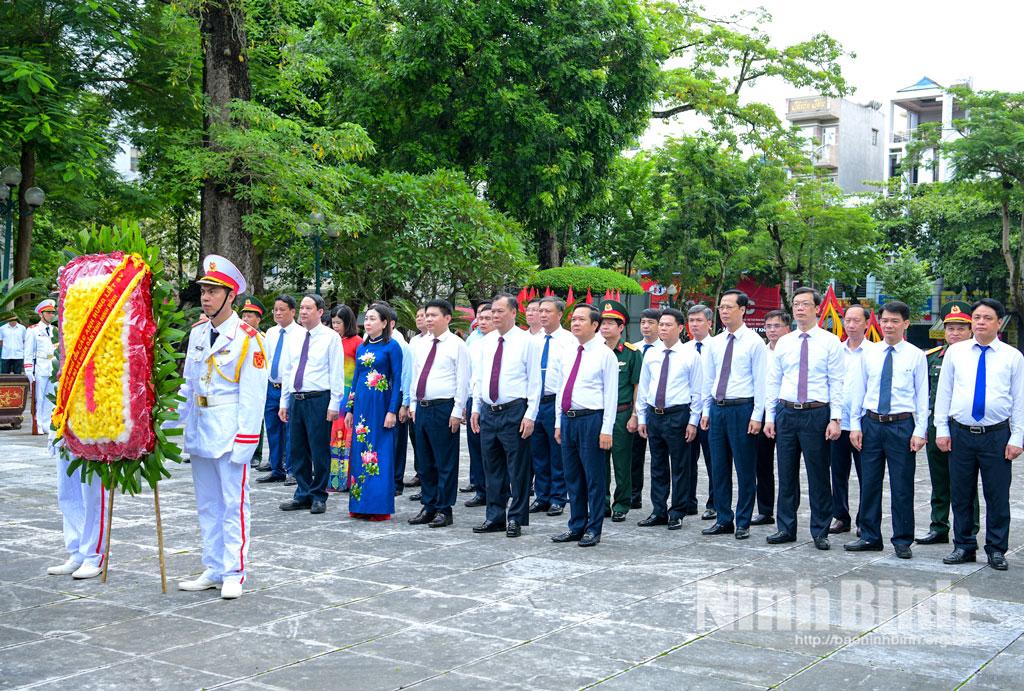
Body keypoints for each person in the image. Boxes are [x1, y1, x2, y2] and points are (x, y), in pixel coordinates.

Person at [176, 255, 268, 598]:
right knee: (208, 503)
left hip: (230, 432)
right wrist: (171, 422)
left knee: (233, 502)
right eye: (204, 290)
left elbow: (253, 395)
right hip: (201, 428)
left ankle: (234, 570)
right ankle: (213, 566)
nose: (206, 297)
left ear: (231, 296)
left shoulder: (249, 339)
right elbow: (189, 385)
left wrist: (247, 440)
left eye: (214, 291)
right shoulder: (198, 333)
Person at [935, 298, 1024, 571]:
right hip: (961, 433)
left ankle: (996, 549)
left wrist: (1017, 437)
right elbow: (944, 392)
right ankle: (963, 545)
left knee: (997, 495)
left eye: (987, 317)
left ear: (999, 323)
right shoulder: (956, 352)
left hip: (996, 435)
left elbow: (1019, 399)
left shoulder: (1013, 356)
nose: (981, 322)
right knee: (961, 493)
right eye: (977, 318)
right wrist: (941, 428)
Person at [846, 301, 928, 558]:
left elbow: (922, 395)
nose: (889, 325)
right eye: (885, 321)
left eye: (895, 321)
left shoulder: (916, 355)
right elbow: (859, 391)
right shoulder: (868, 353)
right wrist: (856, 425)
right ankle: (870, 535)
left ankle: (902, 539)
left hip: (902, 425)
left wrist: (920, 430)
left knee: (902, 485)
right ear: (877, 323)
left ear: (906, 323)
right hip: (871, 424)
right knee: (869, 482)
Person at [764, 286, 843, 551]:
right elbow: (774, 381)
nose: (799, 308)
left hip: (816, 413)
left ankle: (820, 530)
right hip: (787, 412)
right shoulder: (784, 342)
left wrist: (835, 418)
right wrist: (770, 416)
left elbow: (836, 382)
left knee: (818, 474)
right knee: (786, 473)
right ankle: (785, 527)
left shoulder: (830, 342)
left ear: (817, 308)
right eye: (796, 304)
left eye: (805, 304)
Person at [471, 293, 541, 538]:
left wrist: (530, 414)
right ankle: (495, 516)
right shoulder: (486, 342)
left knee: (518, 468)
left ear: (514, 312)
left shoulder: (527, 342)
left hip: (515, 411)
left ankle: (516, 518)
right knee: (492, 467)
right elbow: (479, 378)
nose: (495, 316)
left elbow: (535, 381)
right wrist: (476, 409)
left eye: (500, 311)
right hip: (490, 411)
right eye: (493, 311)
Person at [700, 289, 767, 540]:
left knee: (745, 467)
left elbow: (761, 382)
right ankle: (723, 518)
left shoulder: (754, 342)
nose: (724, 311)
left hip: (743, 408)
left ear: (742, 309)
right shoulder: (715, 343)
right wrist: (706, 410)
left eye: (729, 307)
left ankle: (743, 520)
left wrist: (757, 415)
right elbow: (709, 379)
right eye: (721, 307)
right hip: (718, 409)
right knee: (718, 467)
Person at [550, 304, 618, 547]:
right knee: (572, 476)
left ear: (595, 325)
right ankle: (576, 525)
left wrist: (606, 429)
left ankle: (593, 528)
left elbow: (611, 395)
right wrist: (559, 422)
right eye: (573, 319)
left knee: (594, 477)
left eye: (581, 319)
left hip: (592, 420)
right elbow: (561, 389)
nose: (575, 323)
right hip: (568, 420)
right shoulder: (567, 352)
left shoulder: (604, 354)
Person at [917, 301, 979, 545]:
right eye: (950, 328)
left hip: (965, 428)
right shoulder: (932, 357)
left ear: (970, 330)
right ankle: (939, 526)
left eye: (961, 328)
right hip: (936, 427)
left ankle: (969, 529)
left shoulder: (978, 358)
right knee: (939, 480)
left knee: (966, 481)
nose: (954, 333)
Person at [635, 308, 702, 531]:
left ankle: (678, 511)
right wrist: (642, 416)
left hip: (678, 415)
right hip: (655, 415)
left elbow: (697, 391)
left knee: (681, 465)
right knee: (657, 464)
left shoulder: (690, 355)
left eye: (667, 325)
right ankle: (658, 510)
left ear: (680, 328)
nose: (662, 328)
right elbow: (644, 387)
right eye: (660, 324)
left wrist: (693, 421)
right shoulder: (651, 354)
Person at [278, 294, 344, 515]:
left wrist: (335, 403)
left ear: (320, 312)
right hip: (297, 399)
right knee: (297, 450)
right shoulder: (294, 337)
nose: (304, 312)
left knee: (319, 450)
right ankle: (303, 492)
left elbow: (336, 372)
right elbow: (288, 371)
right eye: (302, 308)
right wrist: (284, 401)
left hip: (319, 398)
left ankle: (318, 495)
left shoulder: (330, 337)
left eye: (309, 308)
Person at [408, 299, 470, 528]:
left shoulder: (457, 345)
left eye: (434, 315)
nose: (428, 319)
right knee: (424, 462)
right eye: (427, 315)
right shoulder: (421, 343)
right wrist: (413, 405)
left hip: (444, 408)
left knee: (444, 461)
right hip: (422, 408)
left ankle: (444, 508)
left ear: (447, 318)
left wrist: (457, 410)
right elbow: (416, 376)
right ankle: (429, 504)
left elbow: (463, 380)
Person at [344, 303, 404, 519]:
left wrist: (392, 410)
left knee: (379, 454)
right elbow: (356, 379)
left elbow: (397, 381)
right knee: (360, 454)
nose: (367, 323)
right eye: (366, 319)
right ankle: (359, 505)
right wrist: (349, 409)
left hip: (381, 408)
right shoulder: (362, 347)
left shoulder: (392, 347)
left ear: (385, 323)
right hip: (361, 408)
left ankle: (379, 507)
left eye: (372, 319)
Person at [829, 303, 876, 535]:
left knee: (866, 474)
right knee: (837, 473)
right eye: (847, 320)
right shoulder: (836, 350)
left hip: (863, 424)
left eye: (856, 320)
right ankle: (841, 515)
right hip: (838, 422)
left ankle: (863, 520)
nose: (851, 325)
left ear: (867, 323)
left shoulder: (874, 353)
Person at [530, 296, 575, 517]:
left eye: (548, 311)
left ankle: (558, 497)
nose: (543, 315)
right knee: (537, 452)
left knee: (557, 451)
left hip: (555, 401)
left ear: (560, 314)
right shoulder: (533, 340)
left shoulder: (570, 340)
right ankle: (542, 496)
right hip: (535, 402)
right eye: (541, 311)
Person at [599, 300, 641, 522]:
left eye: (610, 323)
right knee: (599, 461)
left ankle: (622, 503)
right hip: (598, 413)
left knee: (622, 462)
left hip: (622, 413)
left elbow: (636, 387)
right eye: (602, 323)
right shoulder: (594, 351)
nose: (605, 327)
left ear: (621, 327)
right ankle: (602, 503)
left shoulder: (632, 353)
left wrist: (635, 415)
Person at [752, 309, 790, 526]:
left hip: (787, 411)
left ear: (787, 327)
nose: (772, 330)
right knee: (762, 463)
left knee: (787, 465)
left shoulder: (793, 350)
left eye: (777, 326)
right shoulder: (762, 352)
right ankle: (765, 510)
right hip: (763, 412)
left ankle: (788, 513)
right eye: (768, 326)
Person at [257, 295, 301, 484]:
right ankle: (277, 468)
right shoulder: (271, 332)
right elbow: (266, 357)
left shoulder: (300, 333)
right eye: (275, 309)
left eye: (282, 309)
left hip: (289, 388)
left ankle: (292, 469)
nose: (278, 313)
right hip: (271, 386)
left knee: (290, 431)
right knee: (272, 428)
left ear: (293, 311)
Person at [327, 305, 363, 492]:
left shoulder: (358, 343)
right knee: (332, 436)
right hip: (332, 393)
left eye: (339, 322)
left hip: (348, 393)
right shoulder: (331, 341)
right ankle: (333, 479)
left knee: (345, 436)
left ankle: (346, 479)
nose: (335, 326)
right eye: (333, 322)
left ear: (348, 322)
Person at [686, 304, 716, 520]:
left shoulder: (718, 347)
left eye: (699, 320)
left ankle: (714, 503)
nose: (694, 325)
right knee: (686, 460)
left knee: (714, 461)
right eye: (691, 321)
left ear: (709, 323)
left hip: (710, 413)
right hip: (687, 412)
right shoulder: (683, 349)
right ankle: (688, 501)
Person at [629, 307, 662, 509]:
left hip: (659, 408)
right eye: (643, 322)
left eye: (651, 322)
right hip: (636, 409)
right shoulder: (633, 349)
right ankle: (634, 495)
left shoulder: (666, 349)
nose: (646, 326)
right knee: (634, 455)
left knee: (660, 458)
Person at [463, 302, 493, 507]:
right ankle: (481, 490)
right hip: (473, 396)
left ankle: (497, 491)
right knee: (475, 446)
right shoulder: (473, 340)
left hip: (492, 400)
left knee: (492, 449)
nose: (482, 322)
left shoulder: (498, 342)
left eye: (487, 318)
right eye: (480, 318)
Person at [238, 296, 266, 468]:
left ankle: (256, 453)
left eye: (250, 315)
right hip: (237, 385)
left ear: (258, 319)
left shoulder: (261, 339)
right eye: (244, 315)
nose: (246, 319)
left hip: (254, 385)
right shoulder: (235, 337)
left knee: (256, 418)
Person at [402, 306, 428, 494]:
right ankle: (421, 473)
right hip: (414, 398)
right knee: (416, 439)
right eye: (417, 316)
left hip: (434, 402)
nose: (419, 319)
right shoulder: (414, 341)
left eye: (423, 315)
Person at [24, 299, 58, 433]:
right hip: (40, 367)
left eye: (52, 312)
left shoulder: (54, 330)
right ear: (41, 314)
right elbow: (28, 351)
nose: (51, 315)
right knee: (38, 398)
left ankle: (47, 424)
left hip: (52, 367)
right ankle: (37, 424)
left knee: (50, 397)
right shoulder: (33, 330)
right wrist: (28, 369)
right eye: (48, 312)